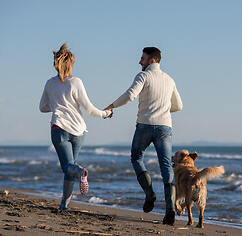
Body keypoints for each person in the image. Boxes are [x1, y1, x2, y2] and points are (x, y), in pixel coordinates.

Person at [105, 47, 182, 225]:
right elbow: (178, 106)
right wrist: (162, 108)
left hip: (145, 126)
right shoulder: (170, 80)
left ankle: (149, 193)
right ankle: (170, 209)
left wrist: (112, 106)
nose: (140, 62)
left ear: (152, 60)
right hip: (164, 126)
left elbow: (130, 95)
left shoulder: (143, 76)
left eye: (142, 58)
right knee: (166, 166)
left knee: (136, 156)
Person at [40, 43, 112, 211]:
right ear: (71, 64)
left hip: (59, 129)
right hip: (79, 131)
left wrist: (58, 105)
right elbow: (89, 109)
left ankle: (80, 173)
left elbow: (42, 107)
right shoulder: (76, 82)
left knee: (68, 167)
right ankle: (64, 205)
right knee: (68, 168)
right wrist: (105, 113)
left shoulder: (50, 83)